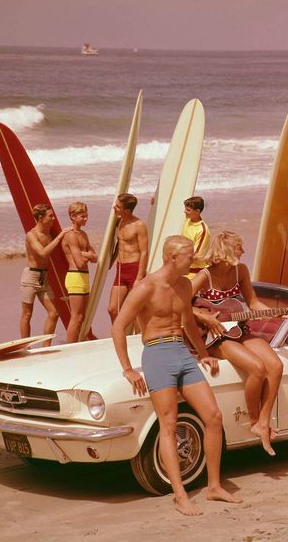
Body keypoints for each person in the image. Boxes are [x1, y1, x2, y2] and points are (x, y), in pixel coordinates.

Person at [112, 236, 242, 515]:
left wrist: (203, 352)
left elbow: (188, 324)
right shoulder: (146, 287)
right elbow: (119, 326)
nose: (194, 260)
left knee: (213, 416)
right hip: (157, 354)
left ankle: (214, 486)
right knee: (168, 425)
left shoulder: (184, 285)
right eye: (189, 256)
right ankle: (180, 494)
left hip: (182, 353)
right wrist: (128, 368)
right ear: (172, 258)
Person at [191, 230, 285, 456]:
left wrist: (278, 313)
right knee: (257, 369)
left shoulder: (240, 270)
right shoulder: (205, 276)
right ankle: (253, 420)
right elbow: (181, 304)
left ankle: (264, 420)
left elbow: (252, 302)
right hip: (217, 336)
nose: (243, 250)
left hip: (239, 328)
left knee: (275, 366)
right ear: (225, 251)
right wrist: (204, 316)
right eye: (238, 247)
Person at [19, 204, 73, 346]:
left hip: (44, 278)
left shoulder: (49, 233)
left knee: (54, 313)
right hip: (30, 277)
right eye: (50, 216)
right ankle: (26, 346)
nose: (53, 218)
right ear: (40, 217)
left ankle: (46, 345)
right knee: (27, 314)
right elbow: (42, 253)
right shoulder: (31, 235)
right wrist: (60, 236)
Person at [108, 193, 148, 326]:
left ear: (127, 210)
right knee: (113, 309)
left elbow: (144, 252)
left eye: (118, 206)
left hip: (134, 268)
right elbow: (118, 245)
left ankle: (138, 341)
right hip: (120, 269)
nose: (114, 207)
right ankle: (119, 335)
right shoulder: (119, 222)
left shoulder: (139, 225)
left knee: (137, 311)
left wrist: (139, 277)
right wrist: (109, 263)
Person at [61, 201, 97, 343]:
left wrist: (87, 255)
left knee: (82, 317)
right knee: (76, 317)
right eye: (82, 216)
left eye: (86, 216)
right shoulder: (70, 235)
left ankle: (76, 344)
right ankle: (70, 347)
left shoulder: (83, 234)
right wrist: (88, 255)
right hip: (75, 277)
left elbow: (95, 258)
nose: (85, 219)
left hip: (84, 276)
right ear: (72, 216)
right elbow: (80, 263)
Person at [182, 196, 210, 279]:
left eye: (188, 210)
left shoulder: (202, 229)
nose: (185, 212)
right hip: (184, 269)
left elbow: (196, 256)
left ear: (197, 211)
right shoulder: (188, 220)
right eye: (185, 209)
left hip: (194, 273)